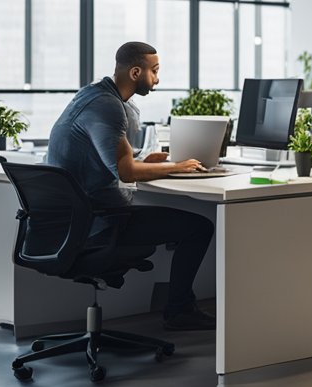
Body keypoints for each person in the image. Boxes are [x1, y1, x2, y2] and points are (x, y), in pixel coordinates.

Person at [46, 42, 216, 331]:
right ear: (136, 71)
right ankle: (178, 312)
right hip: (98, 222)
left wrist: (146, 162)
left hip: (72, 222)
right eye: (155, 71)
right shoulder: (108, 106)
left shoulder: (94, 96)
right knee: (199, 227)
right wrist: (177, 166)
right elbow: (125, 172)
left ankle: (177, 306)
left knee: (177, 221)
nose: (158, 79)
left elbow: (117, 159)